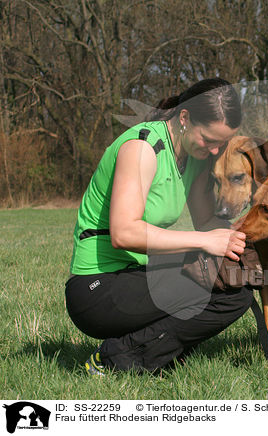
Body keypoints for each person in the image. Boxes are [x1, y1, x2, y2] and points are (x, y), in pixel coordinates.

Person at [65, 78, 251, 375]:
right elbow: (124, 233)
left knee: (237, 288)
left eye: (221, 143)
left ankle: (153, 356)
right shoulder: (142, 148)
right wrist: (203, 242)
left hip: (136, 274)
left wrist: (253, 233)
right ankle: (115, 359)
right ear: (185, 118)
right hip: (96, 289)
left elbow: (207, 222)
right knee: (218, 290)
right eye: (209, 139)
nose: (216, 151)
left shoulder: (194, 156)